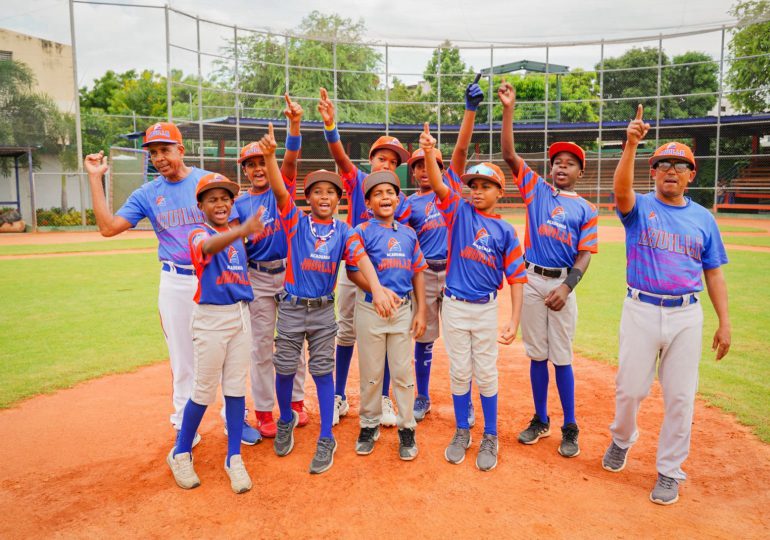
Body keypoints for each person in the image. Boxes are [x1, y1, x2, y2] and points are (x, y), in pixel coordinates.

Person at [84, 123, 260, 446]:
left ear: (181, 149)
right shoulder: (148, 194)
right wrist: (96, 178)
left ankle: (234, 419)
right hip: (176, 280)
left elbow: (237, 223)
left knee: (229, 352)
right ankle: (183, 424)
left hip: (216, 278)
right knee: (182, 358)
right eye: (153, 153)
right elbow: (108, 228)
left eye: (165, 150)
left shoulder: (208, 183)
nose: (159, 158)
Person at [602, 105, 731, 505]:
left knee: (680, 395)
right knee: (630, 390)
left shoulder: (703, 219)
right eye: (663, 164)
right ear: (653, 172)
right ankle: (623, 439)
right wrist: (631, 145)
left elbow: (714, 273)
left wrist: (724, 322)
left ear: (692, 175)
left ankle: (670, 471)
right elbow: (620, 191)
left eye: (680, 164)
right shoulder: (640, 207)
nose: (671, 170)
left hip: (687, 315)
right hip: (641, 308)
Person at [259, 123, 391, 473]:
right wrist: (272, 158)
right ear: (308, 197)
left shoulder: (345, 230)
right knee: (285, 367)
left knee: (322, 371)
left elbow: (359, 259)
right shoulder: (296, 223)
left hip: (321, 314)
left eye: (330, 192)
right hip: (290, 308)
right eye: (316, 191)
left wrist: (376, 288)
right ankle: (285, 417)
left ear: (339, 199)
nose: (323, 197)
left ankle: (325, 437)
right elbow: (279, 190)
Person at [498, 81, 598, 458]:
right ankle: (541, 419)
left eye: (570, 163)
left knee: (563, 358)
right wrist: (509, 109)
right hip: (532, 279)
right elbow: (508, 154)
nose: (561, 166)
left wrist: (568, 288)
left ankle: (570, 425)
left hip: (561, 285)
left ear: (579, 173)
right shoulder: (537, 190)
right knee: (536, 355)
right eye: (557, 161)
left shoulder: (586, 209)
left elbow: (586, 254)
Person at [420, 123, 526, 471]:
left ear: (500, 192)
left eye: (485, 186)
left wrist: (513, 320)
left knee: (486, 372)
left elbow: (516, 278)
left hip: (484, 309)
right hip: (453, 305)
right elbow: (438, 184)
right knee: (460, 371)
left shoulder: (506, 230)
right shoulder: (458, 212)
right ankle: (462, 430)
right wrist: (429, 151)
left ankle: (491, 434)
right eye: (473, 186)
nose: (477, 191)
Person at [318, 87, 413, 427]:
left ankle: (383, 396)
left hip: (386, 275)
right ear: (371, 159)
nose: (386, 164)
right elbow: (340, 156)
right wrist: (331, 126)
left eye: (393, 161)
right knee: (345, 332)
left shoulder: (394, 197)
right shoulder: (358, 180)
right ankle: (339, 395)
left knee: (387, 332)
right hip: (353, 268)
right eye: (381, 158)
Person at [167, 172, 263, 493]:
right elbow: (207, 246)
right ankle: (180, 453)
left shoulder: (237, 236)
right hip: (210, 318)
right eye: (212, 199)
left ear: (232, 203)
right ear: (201, 206)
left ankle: (233, 457)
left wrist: (243, 232)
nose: (220, 203)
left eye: (225, 198)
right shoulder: (198, 233)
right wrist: (241, 230)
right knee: (204, 390)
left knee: (236, 388)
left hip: (240, 316)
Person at [233, 94, 310, 438]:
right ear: (245, 171)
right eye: (251, 164)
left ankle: (294, 403)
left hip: (290, 273)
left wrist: (293, 125)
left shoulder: (283, 187)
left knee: (294, 340)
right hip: (258, 277)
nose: (258, 168)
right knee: (261, 345)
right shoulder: (239, 203)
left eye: (262, 162)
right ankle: (264, 409)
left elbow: (290, 160)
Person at [406, 76, 481, 423]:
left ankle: (463, 399)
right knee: (424, 338)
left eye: (429, 162)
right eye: (419, 165)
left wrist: (469, 110)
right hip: (424, 276)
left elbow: (462, 151)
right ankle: (422, 396)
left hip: (453, 274)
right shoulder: (408, 204)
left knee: (459, 341)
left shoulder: (449, 187)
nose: (424, 169)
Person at [345, 169, 427, 460]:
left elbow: (418, 272)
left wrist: (421, 310)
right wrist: (377, 291)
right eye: (377, 194)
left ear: (398, 198)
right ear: (368, 203)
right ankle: (369, 424)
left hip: (403, 311)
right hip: (371, 310)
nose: (385, 198)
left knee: (404, 373)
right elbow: (353, 271)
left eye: (390, 192)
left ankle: (407, 428)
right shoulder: (360, 231)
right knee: (371, 373)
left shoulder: (408, 233)